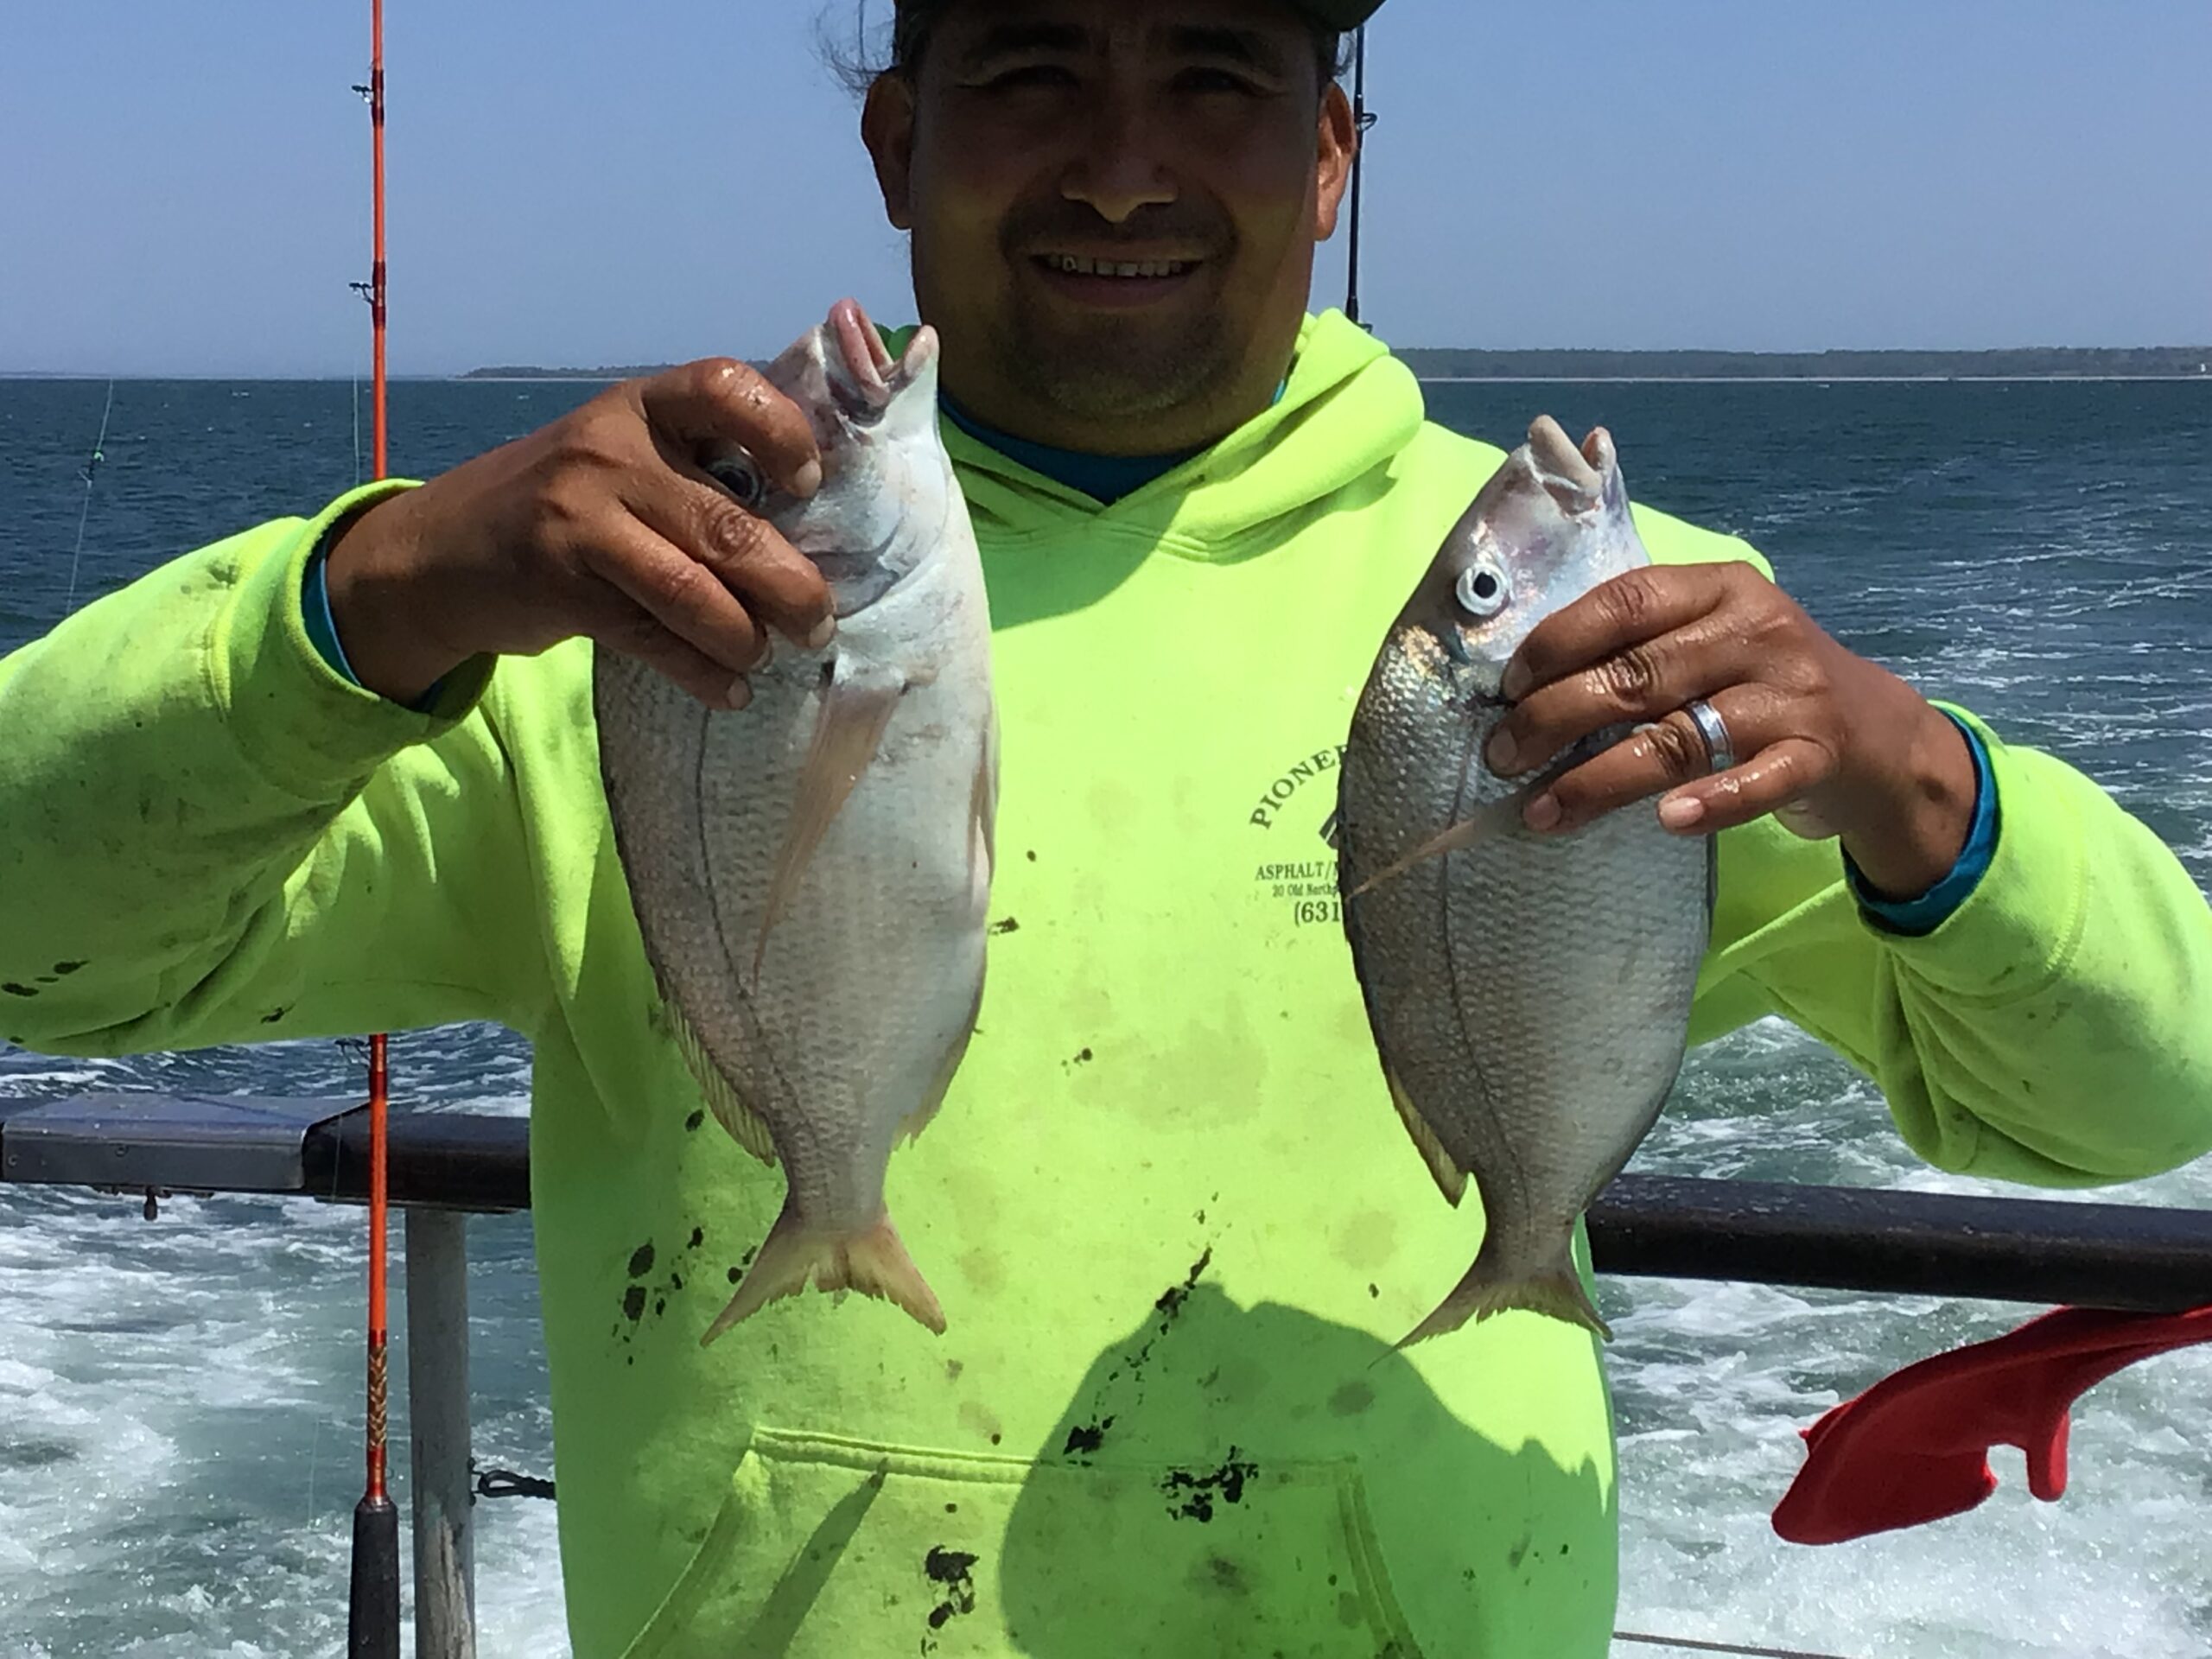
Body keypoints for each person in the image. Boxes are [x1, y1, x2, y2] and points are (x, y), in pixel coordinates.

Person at [3, 1, 2207, 1654]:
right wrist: (367, 596)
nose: (1126, 169)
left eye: (1220, 82)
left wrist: (1914, 780)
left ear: (1330, 152)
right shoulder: (641, 614)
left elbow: (2134, 1103)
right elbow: (48, 952)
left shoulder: (1601, 644)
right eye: (1038, 70)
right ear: (899, 134)